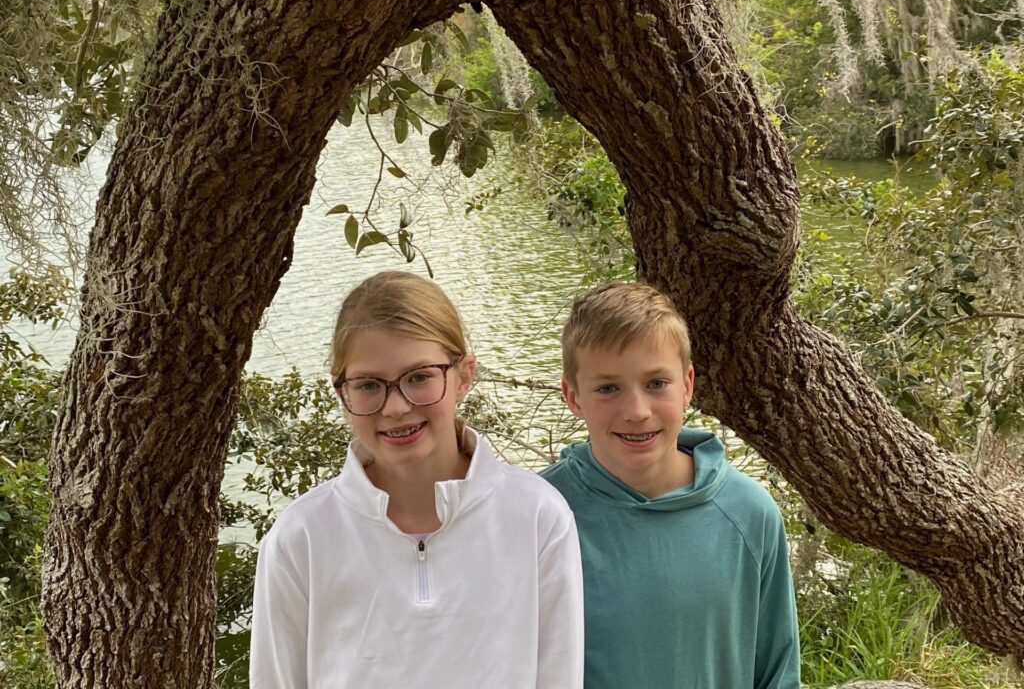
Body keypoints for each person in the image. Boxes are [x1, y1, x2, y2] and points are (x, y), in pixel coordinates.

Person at [250, 270, 584, 689]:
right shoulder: (301, 537)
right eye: (369, 385)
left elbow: (558, 676)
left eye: (419, 377)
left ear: (463, 375)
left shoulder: (537, 515)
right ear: (342, 394)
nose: (395, 407)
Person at [542, 282, 800, 689]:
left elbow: (777, 672)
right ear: (573, 397)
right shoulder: (541, 514)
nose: (636, 411)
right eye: (608, 388)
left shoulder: (749, 513)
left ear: (687, 385)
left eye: (656, 384)